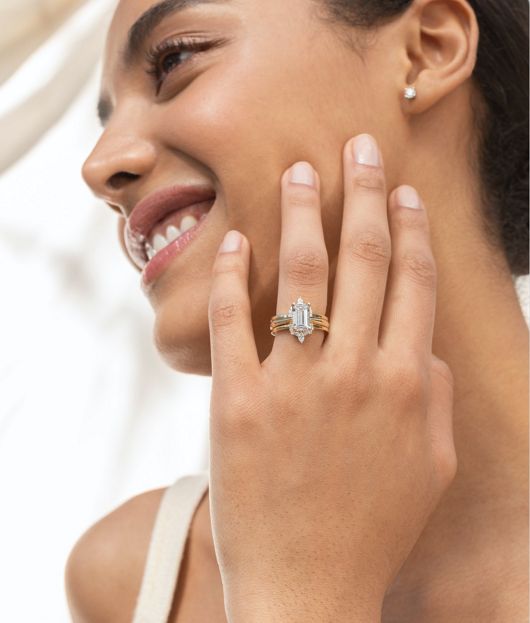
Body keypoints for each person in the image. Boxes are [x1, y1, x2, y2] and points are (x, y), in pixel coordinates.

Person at [64, 0, 529, 621]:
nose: (98, 168)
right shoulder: (137, 579)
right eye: (108, 116)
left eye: (175, 60)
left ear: (427, 49)